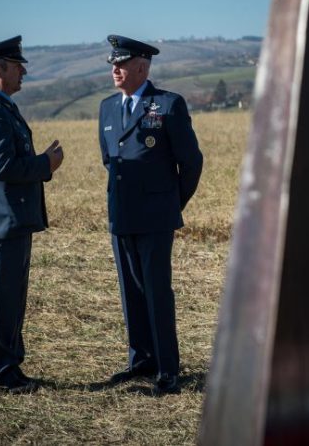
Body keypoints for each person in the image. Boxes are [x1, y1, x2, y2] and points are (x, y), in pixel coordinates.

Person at [98, 34, 203, 394]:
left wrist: (171, 204)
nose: (115, 69)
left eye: (121, 63)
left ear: (142, 67)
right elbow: (110, 162)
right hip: (122, 217)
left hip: (156, 218)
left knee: (157, 293)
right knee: (131, 293)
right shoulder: (107, 108)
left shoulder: (168, 105)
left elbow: (191, 163)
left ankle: (167, 369)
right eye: (112, 63)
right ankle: (141, 361)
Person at [0, 35, 64, 393]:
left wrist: (41, 163)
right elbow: (3, 166)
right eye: (17, 65)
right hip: (0, 223)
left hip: (9, 221)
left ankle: (9, 368)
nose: (23, 71)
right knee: (0, 300)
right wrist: (46, 164)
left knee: (10, 299)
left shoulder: (0, 106)